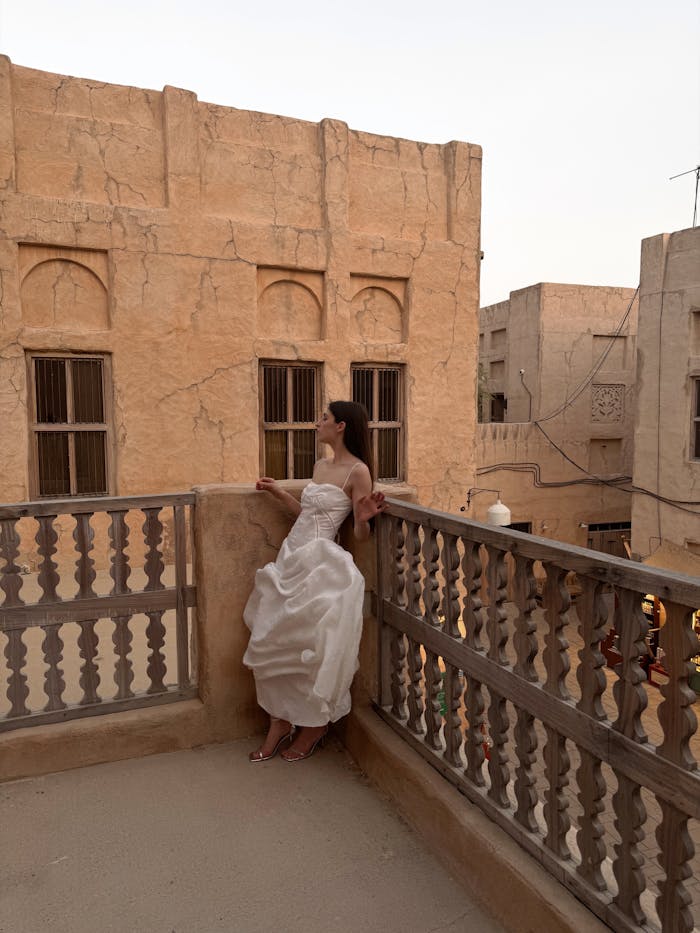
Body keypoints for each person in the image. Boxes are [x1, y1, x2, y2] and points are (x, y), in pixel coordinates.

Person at [243, 400, 386, 762]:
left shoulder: (358, 471)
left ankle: (313, 727)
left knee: (310, 646)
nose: (317, 423)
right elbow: (306, 514)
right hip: (291, 557)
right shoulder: (320, 465)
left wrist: (365, 517)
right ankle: (278, 723)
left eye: (323, 418)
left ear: (341, 426)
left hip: (321, 565)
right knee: (271, 637)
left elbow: (358, 533)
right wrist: (278, 492)